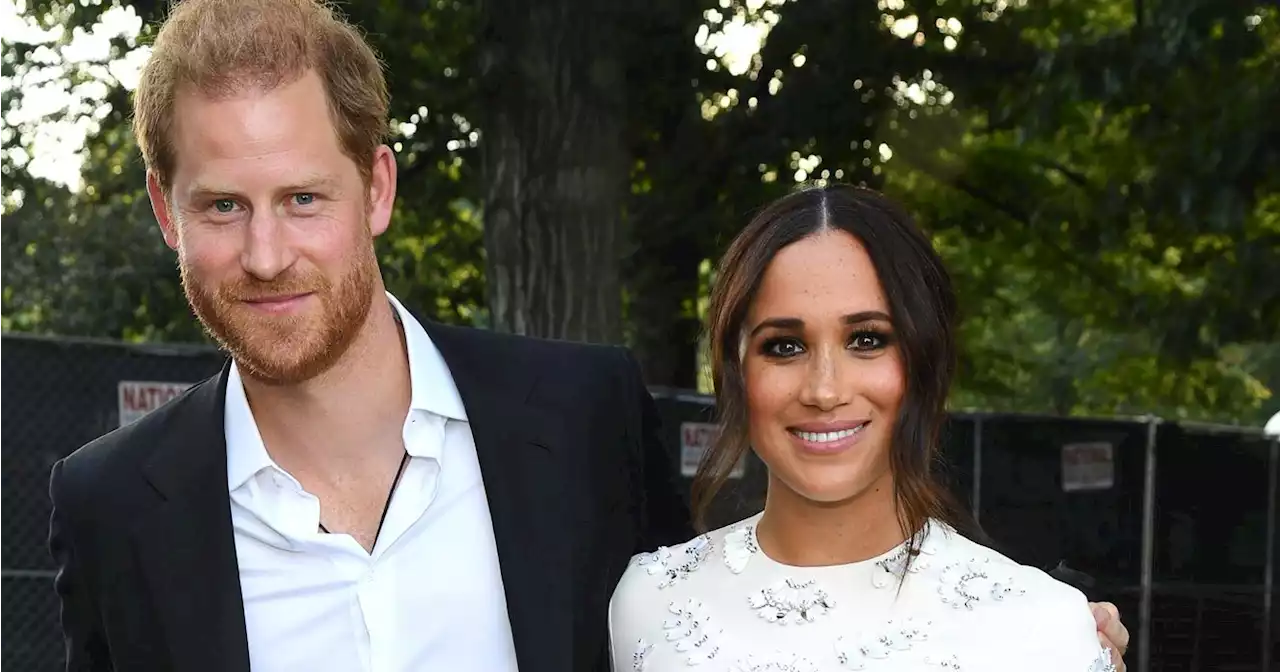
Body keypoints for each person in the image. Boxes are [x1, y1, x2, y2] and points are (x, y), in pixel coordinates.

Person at [44, 1, 1130, 671]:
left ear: (375, 187)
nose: (268, 254)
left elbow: (741, 607)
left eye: (303, 199)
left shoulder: (575, 419)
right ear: (162, 210)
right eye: (223, 206)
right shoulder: (113, 507)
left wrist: (1014, 631)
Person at [608, 185, 1129, 671]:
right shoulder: (645, 604)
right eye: (785, 346)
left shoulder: (1043, 629)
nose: (825, 389)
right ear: (736, 372)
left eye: (867, 339)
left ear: (926, 361)